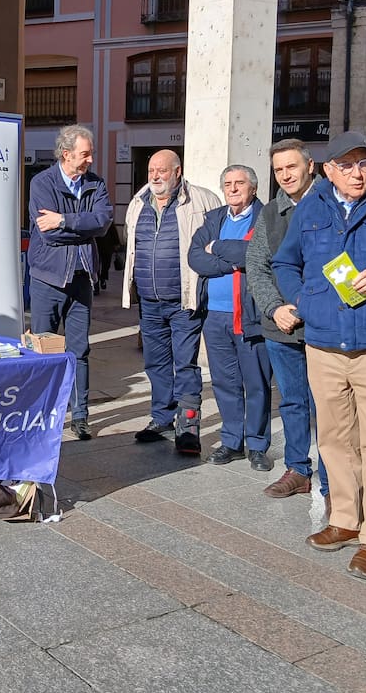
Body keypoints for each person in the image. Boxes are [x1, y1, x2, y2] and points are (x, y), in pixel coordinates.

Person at [272, 131, 366, 581]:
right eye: (347, 165)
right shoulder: (312, 206)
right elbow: (285, 262)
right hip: (324, 343)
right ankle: (343, 519)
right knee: (335, 439)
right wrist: (305, 300)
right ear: (329, 170)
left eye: (364, 163)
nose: (358, 173)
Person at [246, 139, 330, 506]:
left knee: (328, 405)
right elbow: (257, 265)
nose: (285, 175)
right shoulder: (270, 212)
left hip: (324, 325)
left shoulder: (333, 204)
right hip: (281, 325)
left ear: (310, 166)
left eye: (291, 167)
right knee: (293, 401)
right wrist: (274, 308)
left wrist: (311, 308)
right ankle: (298, 470)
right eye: (278, 170)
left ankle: (333, 478)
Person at [124, 150, 221, 454]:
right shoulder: (138, 202)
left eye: (162, 170)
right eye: (151, 170)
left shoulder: (203, 200)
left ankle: (188, 426)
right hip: (149, 301)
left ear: (177, 172)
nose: (155, 176)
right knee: (156, 363)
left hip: (184, 301)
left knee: (185, 363)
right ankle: (162, 417)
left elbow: (216, 244)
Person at [27, 124, 113, 439]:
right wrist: (82, 229)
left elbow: (103, 223)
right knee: (44, 350)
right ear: (66, 154)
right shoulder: (42, 182)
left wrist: (64, 219)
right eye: (85, 154)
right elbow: (47, 234)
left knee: (80, 350)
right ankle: (43, 416)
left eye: (90, 153)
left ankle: (80, 416)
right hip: (48, 278)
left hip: (81, 278)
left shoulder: (95, 184)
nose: (90, 159)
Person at [189, 165, 273, 470]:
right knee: (225, 382)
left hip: (249, 315)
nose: (233, 189)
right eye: (227, 184)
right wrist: (232, 263)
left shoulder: (266, 217)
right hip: (214, 316)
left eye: (239, 183)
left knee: (257, 383)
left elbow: (259, 254)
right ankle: (231, 441)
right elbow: (195, 256)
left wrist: (218, 249)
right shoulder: (214, 218)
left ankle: (258, 445)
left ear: (254, 188)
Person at [94, 222, 123, 295]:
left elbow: (113, 230)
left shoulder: (107, 220)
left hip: (107, 246)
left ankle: (103, 278)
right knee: (96, 265)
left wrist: (116, 243)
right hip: (97, 245)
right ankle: (96, 285)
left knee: (106, 265)